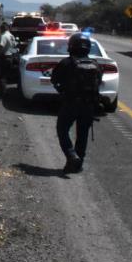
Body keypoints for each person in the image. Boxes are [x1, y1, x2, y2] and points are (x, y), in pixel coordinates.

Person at [51, 33, 102, 174]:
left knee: (62, 130)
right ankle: (77, 165)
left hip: (70, 104)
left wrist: (62, 89)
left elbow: (55, 79)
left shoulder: (66, 63)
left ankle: (71, 155)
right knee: (83, 134)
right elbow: (99, 83)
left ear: (71, 46)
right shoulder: (96, 65)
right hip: (89, 106)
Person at [0, 22, 18, 97]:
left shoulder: (4, 36)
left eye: (0, 28)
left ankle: (3, 94)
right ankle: (4, 92)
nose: (0, 30)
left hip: (5, 58)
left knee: (0, 78)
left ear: (3, 28)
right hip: (11, 57)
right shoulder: (11, 36)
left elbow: (1, 46)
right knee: (5, 77)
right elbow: (14, 47)